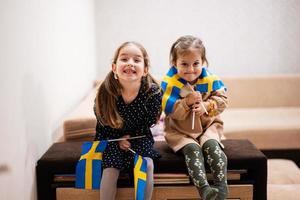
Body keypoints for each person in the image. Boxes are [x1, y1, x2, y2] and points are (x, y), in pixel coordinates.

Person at [161, 35, 228, 200]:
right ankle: (204, 189)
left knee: (212, 146)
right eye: (184, 64)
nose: (190, 69)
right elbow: (169, 110)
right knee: (192, 150)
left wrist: (206, 106)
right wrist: (186, 103)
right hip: (180, 131)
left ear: (203, 61)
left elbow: (223, 101)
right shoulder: (169, 84)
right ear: (174, 63)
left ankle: (221, 187)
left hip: (208, 126)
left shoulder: (211, 80)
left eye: (196, 63)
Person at [94, 41, 162, 200]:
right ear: (114, 67)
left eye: (137, 60)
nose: (130, 63)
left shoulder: (153, 93)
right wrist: (118, 139)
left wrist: (130, 138)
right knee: (110, 169)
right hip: (111, 136)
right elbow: (102, 120)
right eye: (124, 59)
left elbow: (150, 121)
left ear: (145, 70)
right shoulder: (105, 91)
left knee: (147, 164)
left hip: (140, 135)